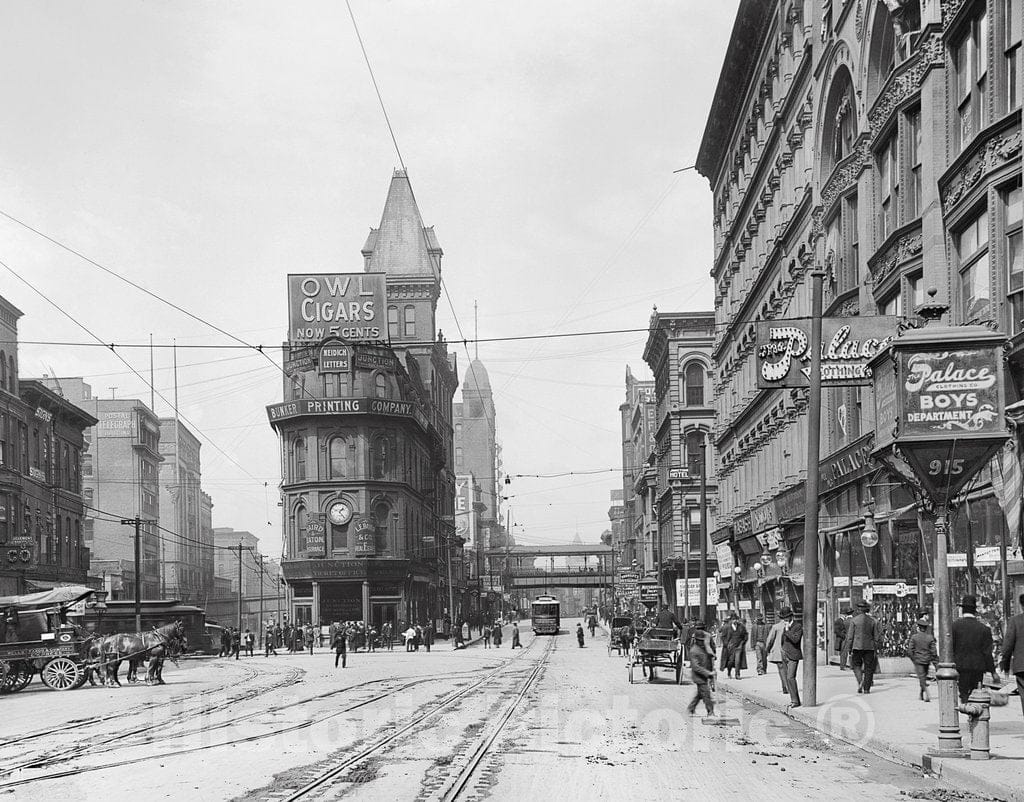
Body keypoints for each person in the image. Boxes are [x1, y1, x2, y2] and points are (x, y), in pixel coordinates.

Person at [952, 594, 996, 703]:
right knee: (976, 694)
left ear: (963, 610)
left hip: (961, 667)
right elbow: (987, 653)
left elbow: (950, 648)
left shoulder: (954, 626)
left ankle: (966, 707)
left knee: (963, 694)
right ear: (974, 611)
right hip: (978, 668)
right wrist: (993, 672)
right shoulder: (984, 629)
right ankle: (974, 715)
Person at [845, 601, 878, 694]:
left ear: (859, 610)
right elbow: (876, 637)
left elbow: (850, 636)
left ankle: (860, 681)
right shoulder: (872, 621)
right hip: (869, 647)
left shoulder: (854, 620)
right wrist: (875, 648)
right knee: (869, 668)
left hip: (857, 646)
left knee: (856, 665)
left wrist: (849, 648)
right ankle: (867, 688)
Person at [999, 592, 1024, 716]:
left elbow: (1008, 645)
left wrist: (1005, 665)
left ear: (1021, 606)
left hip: (1021, 666)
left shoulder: (1015, 621)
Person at [686, 621, 716, 717]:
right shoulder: (694, 651)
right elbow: (696, 667)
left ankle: (691, 709)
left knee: (700, 694)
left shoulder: (702, 647)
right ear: (698, 640)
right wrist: (708, 673)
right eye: (701, 640)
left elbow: (711, 651)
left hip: (704, 672)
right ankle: (710, 712)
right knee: (706, 694)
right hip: (699, 676)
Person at [908, 616, 938, 702]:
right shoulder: (930, 637)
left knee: (921, 677)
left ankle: (927, 693)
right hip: (927, 660)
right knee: (923, 676)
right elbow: (934, 652)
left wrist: (914, 659)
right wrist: (933, 660)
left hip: (918, 660)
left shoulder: (914, 637)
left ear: (919, 628)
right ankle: (921, 694)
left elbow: (910, 650)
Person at [721, 612, 748, 679]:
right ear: (731, 620)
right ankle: (729, 672)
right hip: (730, 647)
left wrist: (743, 643)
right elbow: (723, 637)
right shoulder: (727, 627)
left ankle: (737, 674)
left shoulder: (741, 626)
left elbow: (745, 635)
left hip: (739, 646)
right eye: (733, 619)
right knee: (730, 661)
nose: (735, 620)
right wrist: (726, 644)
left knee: (737, 660)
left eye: (736, 619)